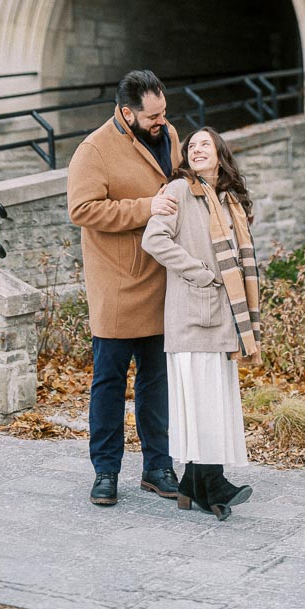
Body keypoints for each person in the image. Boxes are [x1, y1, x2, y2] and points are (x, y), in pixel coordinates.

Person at [67, 69, 182, 507]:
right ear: (125, 112)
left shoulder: (168, 134)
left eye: (164, 112)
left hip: (161, 280)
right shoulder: (93, 150)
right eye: (152, 115)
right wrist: (147, 208)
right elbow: (82, 209)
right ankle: (106, 473)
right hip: (116, 285)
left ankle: (157, 468)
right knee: (109, 384)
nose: (162, 121)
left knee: (157, 383)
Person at [141, 126, 260, 521]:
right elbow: (154, 240)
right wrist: (200, 273)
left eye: (204, 144)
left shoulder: (228, 202)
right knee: (201, 401)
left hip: (222, 318)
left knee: (213, 402)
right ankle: (214, 483)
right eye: (191, 146)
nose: (196, 149)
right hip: (193, 313)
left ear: (221, 153)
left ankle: (194, 487)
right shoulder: (177, 191)